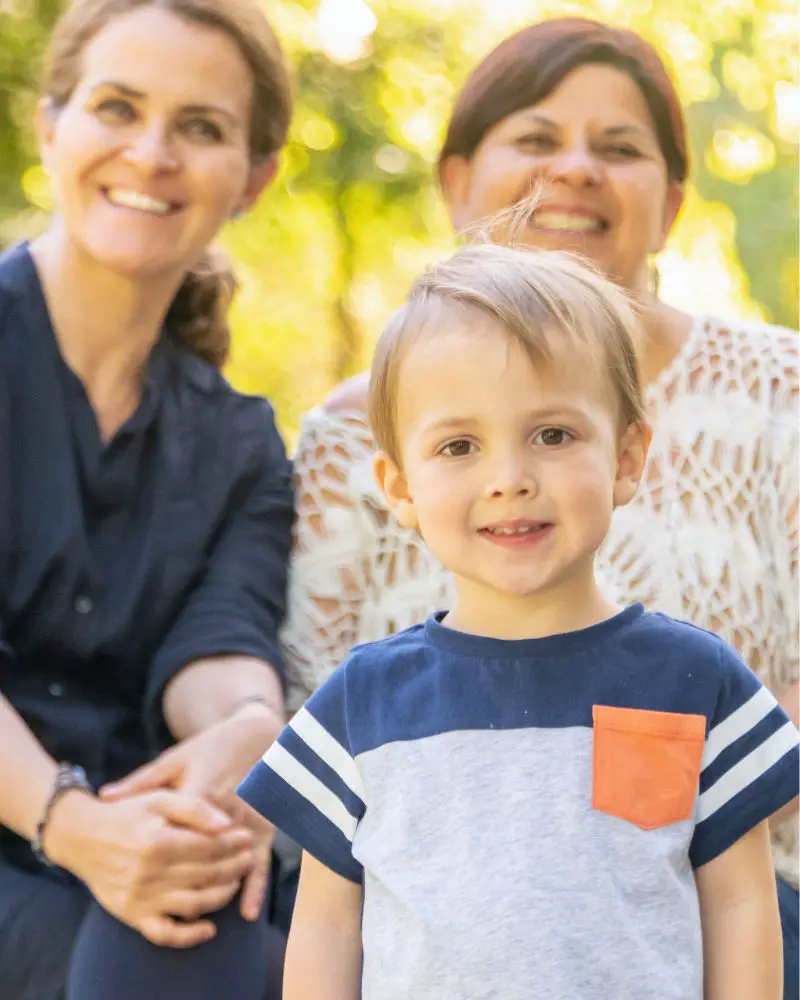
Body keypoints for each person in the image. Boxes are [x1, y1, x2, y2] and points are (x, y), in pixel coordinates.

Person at [281, 17, 799, 988]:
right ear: (395, 484)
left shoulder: (693, 679)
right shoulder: (360, 700)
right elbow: (322, 929)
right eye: (458, 446)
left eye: (553, 435)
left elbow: (736, 902)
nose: (507, 476)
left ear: (630, 456)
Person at [0, 0, 295, 997]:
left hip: (133, 858)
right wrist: (65, 821)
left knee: (203, 907)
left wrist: (249, 727)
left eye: (201, 127)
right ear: (51, 127)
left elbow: (220, 642)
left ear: (253, 178)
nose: (152, 153)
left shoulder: (241, 441)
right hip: (53, 848)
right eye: (117, 107)